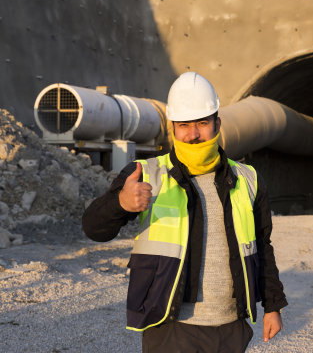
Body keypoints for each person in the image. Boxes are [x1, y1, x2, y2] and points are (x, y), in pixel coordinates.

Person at [82, 72, 288, 353]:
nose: (193, 134)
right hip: (170, 328)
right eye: (184, 125)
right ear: (173, 128)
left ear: (218, 123)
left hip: (230, 328)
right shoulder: (147, 174)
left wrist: (272, 306)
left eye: (202, 123)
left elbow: (262, 246)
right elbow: (93, 228)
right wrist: (120, 203)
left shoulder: (248, 179)